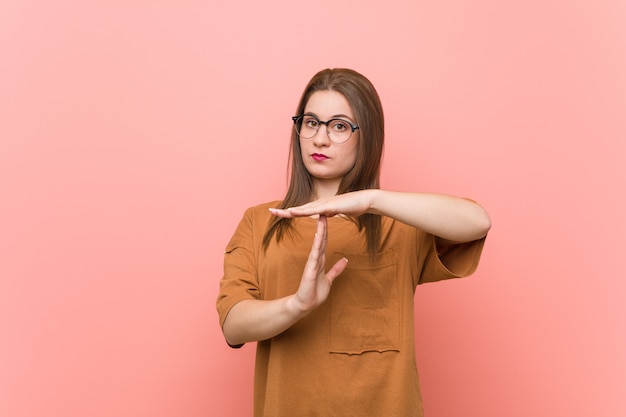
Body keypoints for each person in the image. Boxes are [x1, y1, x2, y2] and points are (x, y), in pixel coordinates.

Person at [216, 68, 491, 417]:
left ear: (368, 137)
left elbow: (478, 221)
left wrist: (371, 200)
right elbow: (232, 323)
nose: (320, 138)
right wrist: (297, 305)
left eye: (340, 126)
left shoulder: (400, 225)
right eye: (311, 122)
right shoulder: (260, 222)